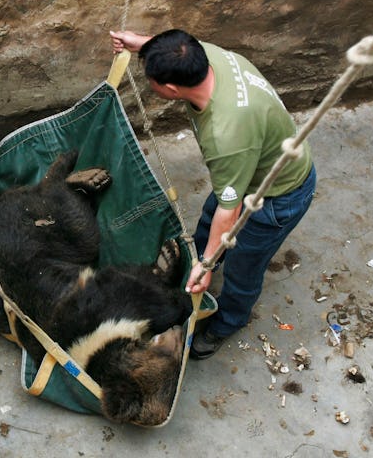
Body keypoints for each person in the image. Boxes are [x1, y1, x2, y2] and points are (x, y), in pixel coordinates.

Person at [110, 29, 316, 359]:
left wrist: (206, 265)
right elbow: (177, 46)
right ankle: (196, 268)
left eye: (151, 80)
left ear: (171, 89)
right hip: (252, 171)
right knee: (208, 228)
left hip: (276, 196)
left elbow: (228, 211)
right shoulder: (206, 56)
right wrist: (143, 44)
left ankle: (228, 321)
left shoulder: (226, 134)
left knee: (242, 268)